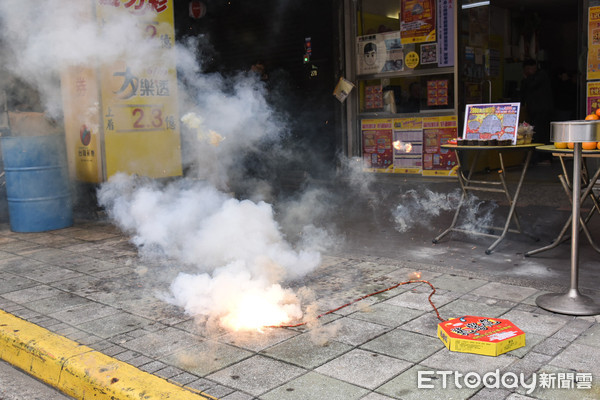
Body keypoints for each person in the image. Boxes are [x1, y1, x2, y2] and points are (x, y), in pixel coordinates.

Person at [520, 59, 553, 145]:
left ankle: (542, 156)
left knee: (539, 133)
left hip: (541, 111)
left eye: (528, 69)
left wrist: (525, 78)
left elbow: (529, 86)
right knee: (539, 133)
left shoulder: (540, 76)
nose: (527, 71)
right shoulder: (538, 76)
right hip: (536, 111)